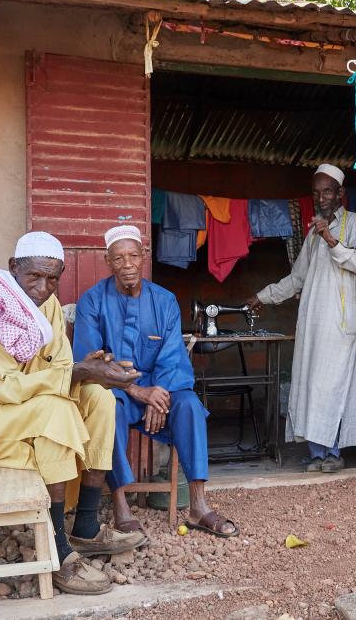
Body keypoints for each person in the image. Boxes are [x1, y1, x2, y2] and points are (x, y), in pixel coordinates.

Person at [0, 232, 146, 596]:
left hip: (17, 412)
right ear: (14, 268)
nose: (43, 288)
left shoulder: (48, 306)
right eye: (34, 277)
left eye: (53, 278)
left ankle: (86, 526)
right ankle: (57, 550)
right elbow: (3, 386)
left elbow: (58, 366)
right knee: (54, 411)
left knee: (99, 400)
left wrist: (90, 370)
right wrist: (76, 373)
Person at [72, 225, 238, 538]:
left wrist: (159, 393)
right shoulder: (92, 302)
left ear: (144, 257)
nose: (127, 264)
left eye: (133, 256)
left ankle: (199, 505)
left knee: (188, 404)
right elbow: (91, 362)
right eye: (118, 258)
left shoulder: (164, 301)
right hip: (118, 389)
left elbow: (172, 354)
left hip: (159, 386)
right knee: (108, 410)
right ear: (109, 261)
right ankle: (121, 502)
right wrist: (135, 389)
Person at [248, 164, 356, 472]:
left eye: (327, 191)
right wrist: (263, 296)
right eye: (316, 193)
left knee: (336, 388)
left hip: (341, 324)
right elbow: (297, 278)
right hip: (314, 323)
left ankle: (335, 452)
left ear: (341, 193)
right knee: (313, 387)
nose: (321, 198)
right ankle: (317, 453)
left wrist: (329, 237)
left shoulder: (355, 223)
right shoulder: (313, 234)